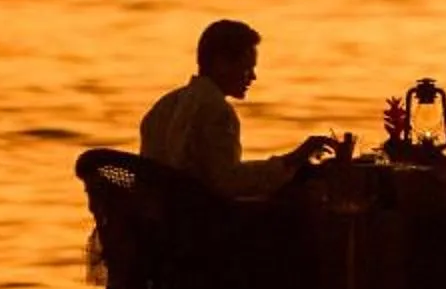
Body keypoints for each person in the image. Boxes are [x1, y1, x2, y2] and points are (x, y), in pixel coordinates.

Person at [140, 18, 334, 201]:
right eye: (247, 68)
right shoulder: (216, 110)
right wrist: (292, 160)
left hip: (158, 224)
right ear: (221, 64)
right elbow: (229, 183)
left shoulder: (163, 106)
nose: (253, 77)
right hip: (195, 226)